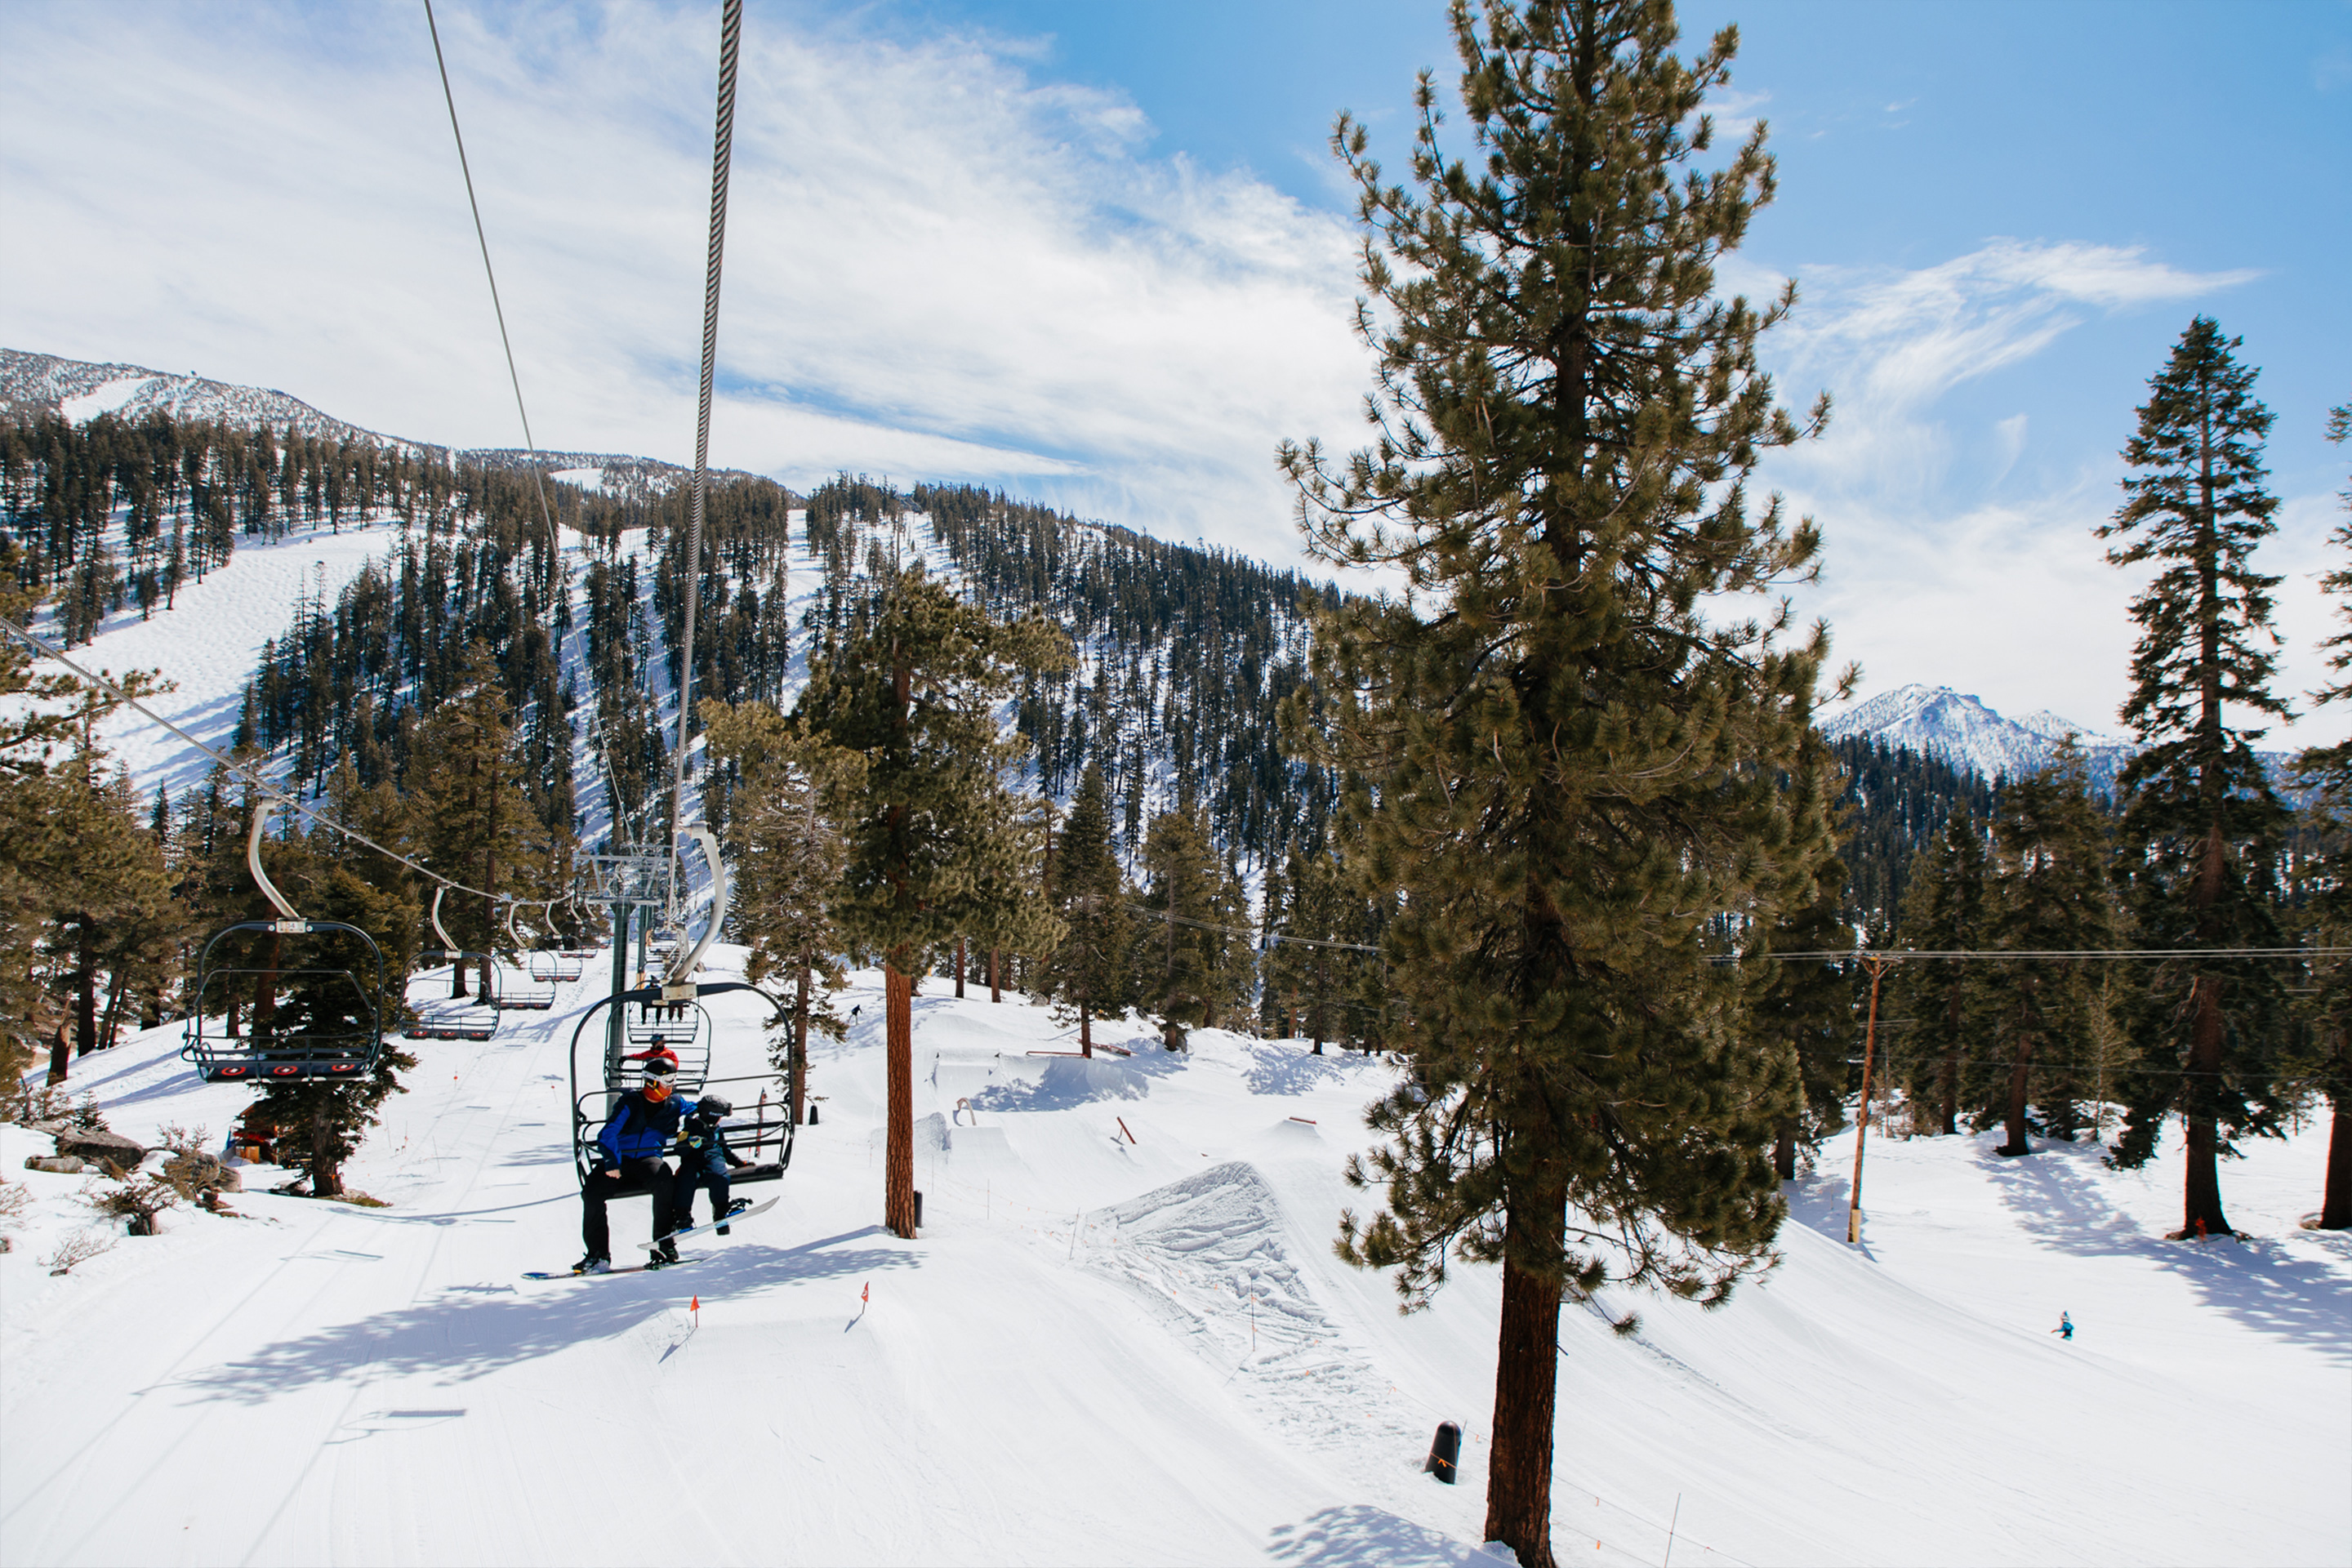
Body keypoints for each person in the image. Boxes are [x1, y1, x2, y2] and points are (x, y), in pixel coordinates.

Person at [574, 1052, 692, 1273]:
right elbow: (607, 1134)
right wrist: (612, 1162)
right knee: (592, 1193)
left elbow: (695, 1109)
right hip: (621, 1159)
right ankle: (598, 1254)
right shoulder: (630, 1103)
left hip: (648, 1158)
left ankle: (663, 1246)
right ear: (652, 1082)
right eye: (668, 1082)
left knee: (664, 1182)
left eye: (674, 1081)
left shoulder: (675, 1103)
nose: (672, 1087)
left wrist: (711, 1109)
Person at [672, 1094, 753, 1233]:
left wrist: (739, 1163)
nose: (719, 1120)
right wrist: (689, 1144)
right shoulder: (690, 1127)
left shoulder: (717, 1130)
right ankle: (682, 1215)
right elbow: (679, 1150)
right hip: (692, 1160)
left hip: (713, 1158)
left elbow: (725, 1150)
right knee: (686, 1180)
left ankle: (720, 1211)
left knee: (720, 1177)